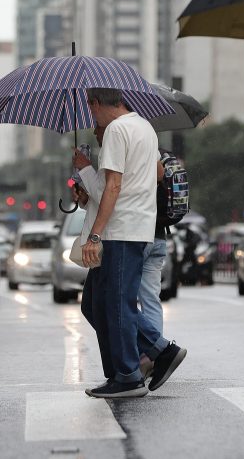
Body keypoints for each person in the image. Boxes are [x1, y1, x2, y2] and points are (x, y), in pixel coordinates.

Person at [74, 88, 186, 399]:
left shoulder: (116, 130)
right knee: (95, 303)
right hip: (136, 226)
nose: (91, 117)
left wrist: (94, 235)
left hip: (120, 229)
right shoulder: (144, 127)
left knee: (116, 304)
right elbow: (159, 172)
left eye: (90, 108)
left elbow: (112, 187)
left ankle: (133, 371)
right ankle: (139, 361)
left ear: (96, 103)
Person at [136, 149, 187, 380]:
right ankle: (153, 358)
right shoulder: (159, 152)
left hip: (137, 236)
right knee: (151, 300)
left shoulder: (135, 150)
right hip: (158, 237)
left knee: (122, 301)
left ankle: (155, 351)